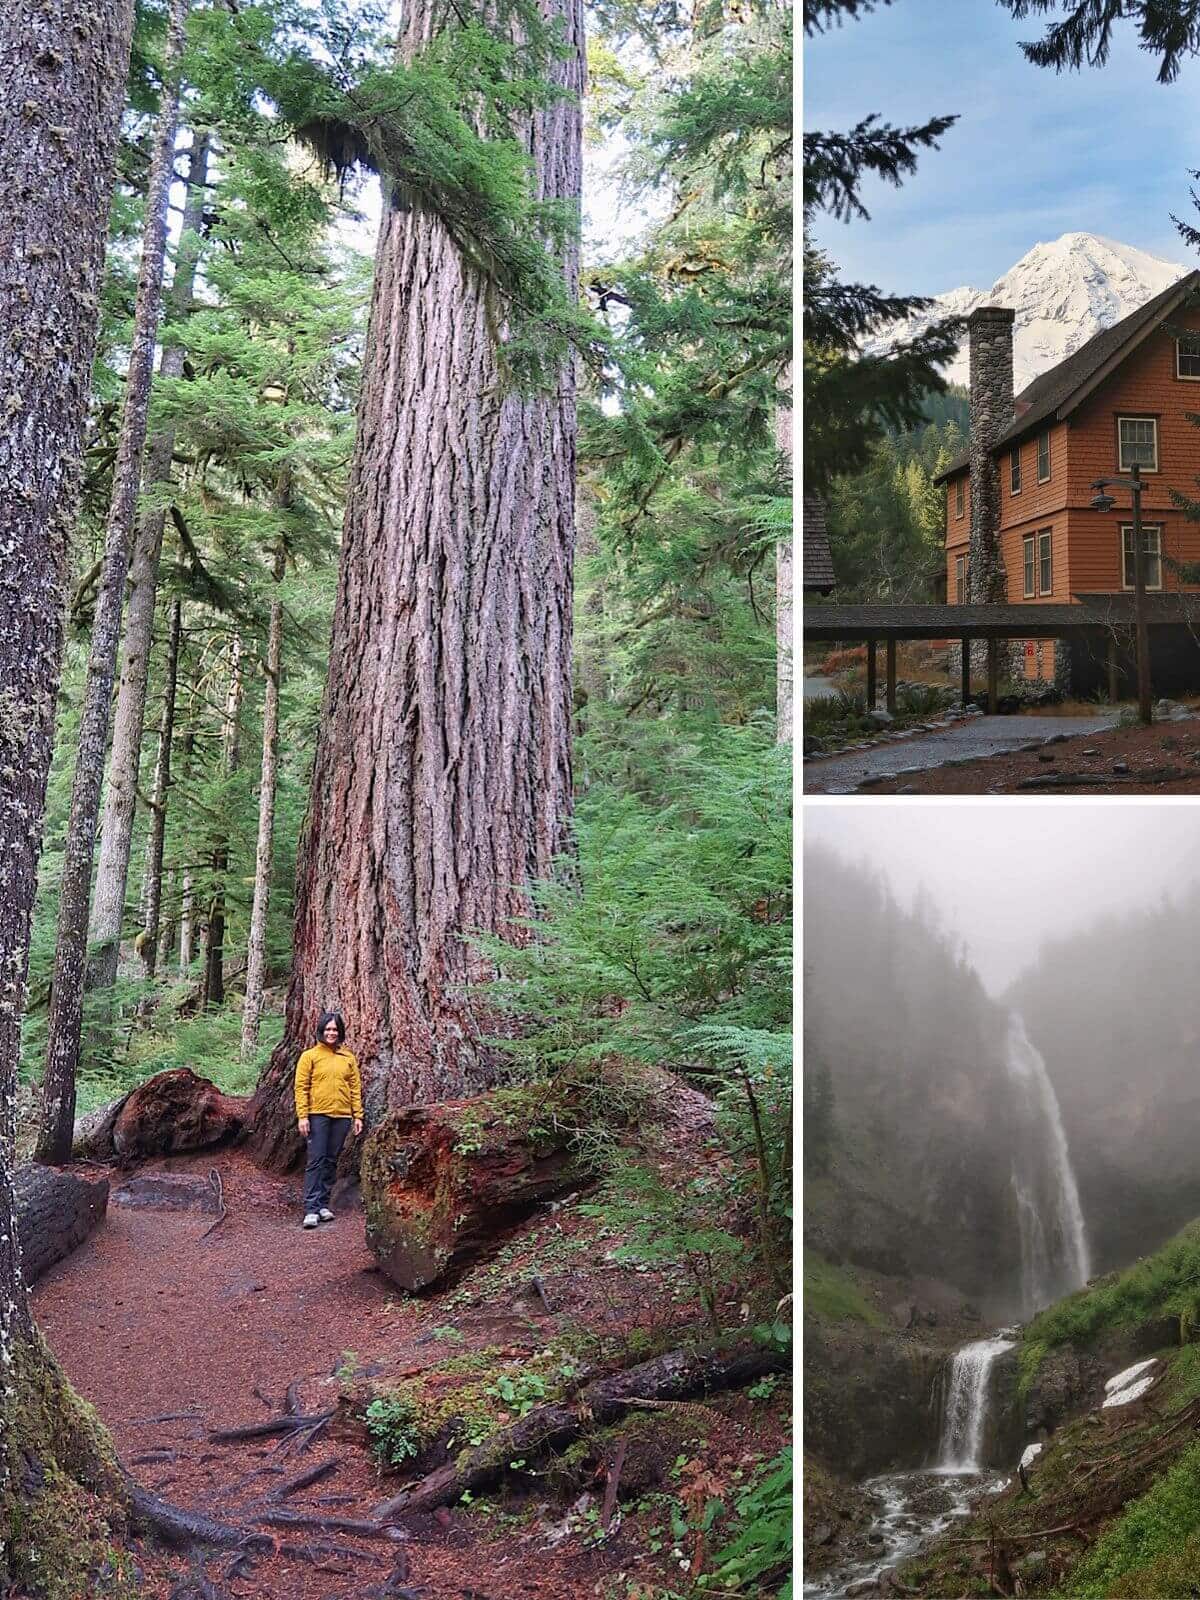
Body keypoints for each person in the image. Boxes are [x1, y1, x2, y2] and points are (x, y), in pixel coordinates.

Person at [294, 1010, 363, 1228]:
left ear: (340, 1032)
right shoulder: (310, 1056)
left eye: (335, 1029)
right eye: (328, 1029)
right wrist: (303, 1116)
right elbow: (301, 1087)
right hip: (317, 1115)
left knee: (331, 1160)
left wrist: (357, 1115)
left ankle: (323, 1204)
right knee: (316, 1160)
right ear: (321, 1031)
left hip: (341, 1116)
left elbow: (355, 1088)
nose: (331, 1033)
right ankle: (311, 1208)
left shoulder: (348, 1058)